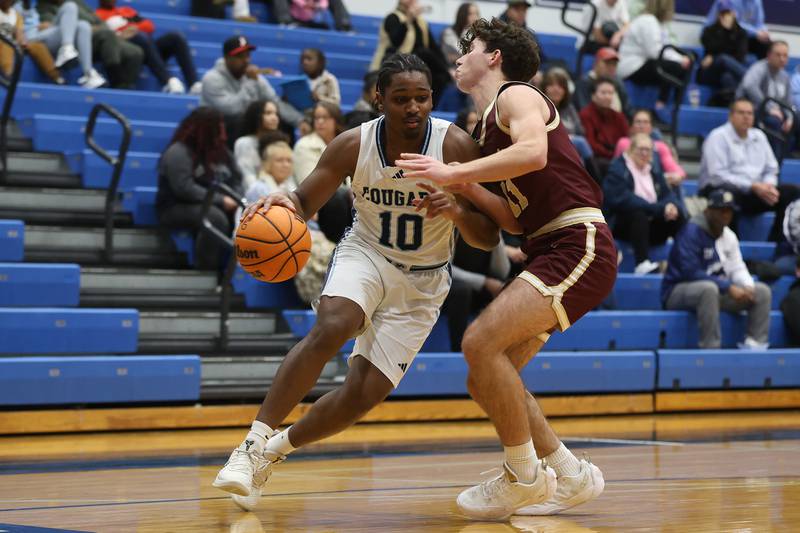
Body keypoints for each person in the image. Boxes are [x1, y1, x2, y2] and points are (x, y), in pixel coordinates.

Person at [212, 53, 501, 512]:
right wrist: (278, 204)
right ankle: (250, 444)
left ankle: (272, 452)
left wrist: (457, 211)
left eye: (422, 98)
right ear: (379, 99)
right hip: (366, 254)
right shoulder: (353, 144)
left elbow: (488, 237)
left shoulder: (455, 146)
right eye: (401, 98)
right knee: (335, 324)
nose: (413, 107)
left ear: (432, 99)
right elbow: (303, 201)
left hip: (424, 280)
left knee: (360, 396)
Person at [397, 17, 615, 520]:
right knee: (487, 378)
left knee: (478, 342)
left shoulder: (516, 96)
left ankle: (522, 476)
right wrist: (462, 196)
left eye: (469, 46)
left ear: (493, 56)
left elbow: (534, 153)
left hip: (577, 240)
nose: (458, 55)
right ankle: (570, 473)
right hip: (545, 246)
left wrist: (455, 170)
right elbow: (513, 220)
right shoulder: (485, 127)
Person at [662, 189, 771, 349]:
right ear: (708, 211)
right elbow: (690, 272)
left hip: (715, 292)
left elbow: (736, 267)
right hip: (677, 292)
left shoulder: (729, 236)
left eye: (729, 211)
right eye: (721, 210)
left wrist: (748, 286)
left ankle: (755, 346)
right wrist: (728, 287)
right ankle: (711, 348)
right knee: (708, 289)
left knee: (761, 292)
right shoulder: (691, 232)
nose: (726, 215)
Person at [699, 98, 800, 242]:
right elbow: (717, 176)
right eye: (741, 113)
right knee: (728, 193)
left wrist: (768, 186)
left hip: (756, 192)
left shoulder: (759, 136)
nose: (746, 117)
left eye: (750, 113)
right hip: (721, 191)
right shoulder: (717, 137)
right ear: (731, 116)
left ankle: (777, 242)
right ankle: (732, 245)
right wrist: (752, 186)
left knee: (793, 193)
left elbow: (771, 168)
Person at [156, 108, 243, 271]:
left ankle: (240, 273)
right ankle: (206, 271)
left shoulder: (222, 152)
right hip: (175, 207)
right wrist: (221, 200)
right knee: (215, 218)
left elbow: (237, 178)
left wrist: (236, 198)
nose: (223, 132)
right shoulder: (179, 151)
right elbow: (184, 188)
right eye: (219, 126)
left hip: (213, 203)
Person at [604, 132, 685, 274]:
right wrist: (658, 208)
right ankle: (642, 263)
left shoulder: (653, 169)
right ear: (631, 150)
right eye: (641, 149)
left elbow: (667, 194)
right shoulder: (617, 168)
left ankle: (683, 261)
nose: (644, 153)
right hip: (622, 226)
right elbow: (625, 199)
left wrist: (670, 206)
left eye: (648, 150)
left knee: (677, 216)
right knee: (638, 213)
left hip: (651, 226)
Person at [200, 36, 303, 141]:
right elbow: (232, 110)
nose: (246, 60)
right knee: (236, 121)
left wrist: (300, 121)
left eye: (248, 55)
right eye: (240, 56)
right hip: (217, 133)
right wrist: (251, 82)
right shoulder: (212, 78)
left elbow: (275, 102)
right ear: (226, 58)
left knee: (281, 121)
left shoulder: (253, 77)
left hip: (246, 127)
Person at [95, 0, 200, 94]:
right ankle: (167, 80)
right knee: (141, 36)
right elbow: (103, 38)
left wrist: (133, 28)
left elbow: (149, 26)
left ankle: (194, 84)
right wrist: (122, 34)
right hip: (127, 53)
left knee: (176, 37)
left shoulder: (126, 10)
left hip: (148, 48)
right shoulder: (98, 15)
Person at [36, 0, 142, 89]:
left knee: (135, 51)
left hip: (95, 33)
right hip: (78, 37)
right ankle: (116, 81)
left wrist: (98, 28)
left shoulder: (78, 3)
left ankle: (124, 87)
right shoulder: (44, 7)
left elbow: (101, 22)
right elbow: (52, 27)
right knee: (97, 31)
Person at [370, 0, 451, 106]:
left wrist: (447, 67)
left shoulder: (421, 22)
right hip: (396, 61)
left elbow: (433, 47)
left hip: (418, 62)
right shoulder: (393, 17)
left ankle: (429, 107)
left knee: (440, 76)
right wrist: (408, 19)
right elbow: (395, 41)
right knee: (424, 53)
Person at [618, 0, 692, 109]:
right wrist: (680, 60)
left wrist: (681, 58)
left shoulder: (659, 24)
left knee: (681, 65)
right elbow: (655, 52)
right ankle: (663, 105)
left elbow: (665, 47)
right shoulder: (648, 21)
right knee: (675, 67)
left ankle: (673, 106)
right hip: (632, 67)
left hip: (644, 62)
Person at [736, 40, 793, 162]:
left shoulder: (785, 76)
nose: (782, 59)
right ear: (769, 55)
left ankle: (787, 157)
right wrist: (769, 108)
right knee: (774, 122)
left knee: (795, 121)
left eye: (785, 55)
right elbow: (749, 85)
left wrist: (790, 117)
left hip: (776, 113)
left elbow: (788, 100)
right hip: (755, 111)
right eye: (778, 55)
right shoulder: (759, 68)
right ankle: (774, 161)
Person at [614, 109, 686, 191]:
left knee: (675, 185)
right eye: (638, 122)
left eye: (646, 122)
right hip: (630, 183)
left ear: (651, 127)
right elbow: (617, 168)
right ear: (631, 126)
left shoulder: (660, 146)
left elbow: (671, 165)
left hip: (655, 185)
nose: (642, 126)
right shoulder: (623, 143)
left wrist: (678, 175)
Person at [542, 68, 596, 175]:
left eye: (560, 86)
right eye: (551, 85)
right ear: (544, 88)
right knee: (580, 143)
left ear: (565, 90)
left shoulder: (569, 108)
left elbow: (580, 131)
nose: (556, 89)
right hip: (550, 147)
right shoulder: (541, 108)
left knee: (580, 158)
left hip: (570, 148)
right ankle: (596, 180)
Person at [697, 0, 748, 107]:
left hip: (729, 71)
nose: (725, 16)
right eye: (723, 13)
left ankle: (731, 106)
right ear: (718, 15)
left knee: (727, 77)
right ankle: (749, 78)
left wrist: (713, 56)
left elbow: (740, 57)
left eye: (728, 13)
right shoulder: (709, 31)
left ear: (734, 14)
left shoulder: (741, 33)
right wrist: (725, 31)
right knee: (722, 59)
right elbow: (711, 47)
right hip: (711, 71)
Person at [0, 0, 64, 84]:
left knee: (37, 45)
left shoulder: (15, 14)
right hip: (3, 43)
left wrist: (22, 42)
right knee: (7, 45)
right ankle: (9, 77)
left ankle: (56, 77)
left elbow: (19, 32)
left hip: (12, 42)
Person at [579, 76, 629, 175]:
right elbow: (591, 144)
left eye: (610, 93)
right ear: (593, 95)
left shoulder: (619, 117)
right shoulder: (585, 115)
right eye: (603, 93)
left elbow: (626, 139)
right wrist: (612, 155)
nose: (607, 96)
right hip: (598, 159)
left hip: (618, 157)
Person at [234, 99, 284, 189]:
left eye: (276, 114)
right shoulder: (244, 143)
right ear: (256, 116)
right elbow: (248, 177)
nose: (274, 118)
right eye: (268, 113)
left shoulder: (279, 143)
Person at [573, 47, 631, 116]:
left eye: (614, 64)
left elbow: (627, 109)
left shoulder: (618, 82)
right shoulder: (584, 83)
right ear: (596, 63)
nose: (611, 67)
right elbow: (584, 110)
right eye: (607, 63)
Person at [704, 0, 770, 59]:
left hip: (744, 36)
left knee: (767, 45)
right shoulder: (730, 1)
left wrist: (763, 31)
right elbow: (734, 23)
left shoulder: (756, 1)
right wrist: (756, 33)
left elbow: (759, 23)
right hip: (724, 35)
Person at [440, 2, 479, 68]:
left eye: (476, 14)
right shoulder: (449, 33)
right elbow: (458, 52)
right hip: (453, 67)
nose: (475, 17)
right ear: (462, 15)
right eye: (470, 14)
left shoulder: (478, 33)